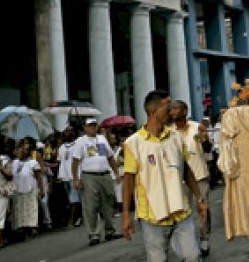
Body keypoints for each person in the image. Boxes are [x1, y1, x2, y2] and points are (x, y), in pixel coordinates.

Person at [122, 90, 209, 262]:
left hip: (181, 211)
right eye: (167, 108)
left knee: (192, 257)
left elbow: (186, 171)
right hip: (152, 216)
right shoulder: (133, 143)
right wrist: (126, 215)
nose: (171, 112)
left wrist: (200, 199)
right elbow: (128, 181)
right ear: (154, 111)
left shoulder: (176, 137)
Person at [170, 100, 213, 258]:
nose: (173, 112)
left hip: (199, 175)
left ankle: (204, 238)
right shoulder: (169, 132)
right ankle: (186, 245)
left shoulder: (197, 127)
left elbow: (208, 150)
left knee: (203, 209)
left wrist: (204, 138)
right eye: (171, 109)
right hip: (180, 179)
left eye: (176, 108)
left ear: (185, 111)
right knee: (182, 213)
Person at [72, 117, 121, 246]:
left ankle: (110, 230)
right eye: (90, 125)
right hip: (89, 176)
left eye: (94, 125)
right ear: (85, 127)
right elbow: (75, 161)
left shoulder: (102, 139)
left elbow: (110, 157)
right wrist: (76, 179)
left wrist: (115, 172)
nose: (93, 127)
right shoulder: (81, 141)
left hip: (104, 174)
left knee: (109, 202)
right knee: (90, 206)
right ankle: (93, 234)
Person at [12, 142, 43, 239]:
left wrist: (41, 189)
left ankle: (33, 227)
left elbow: (39, 177)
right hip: (18, 190)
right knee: (21, 210)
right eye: (19, 150)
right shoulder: (15, 163)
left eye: (23, 150)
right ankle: (24, 229)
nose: (21, 152)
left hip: (30, 189)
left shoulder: (33, 163)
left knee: (31, 209)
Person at [57, 127, 82, 228]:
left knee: (73, 199)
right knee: (72, 199)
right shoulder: (61, 148)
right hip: (64, 176)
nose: (67, 133)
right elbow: (60, 162)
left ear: (73, 133)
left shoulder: (78, 145)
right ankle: (80, 216)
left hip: (75, 175)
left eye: (69, 131)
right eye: (66, 131)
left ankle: (71, 220)